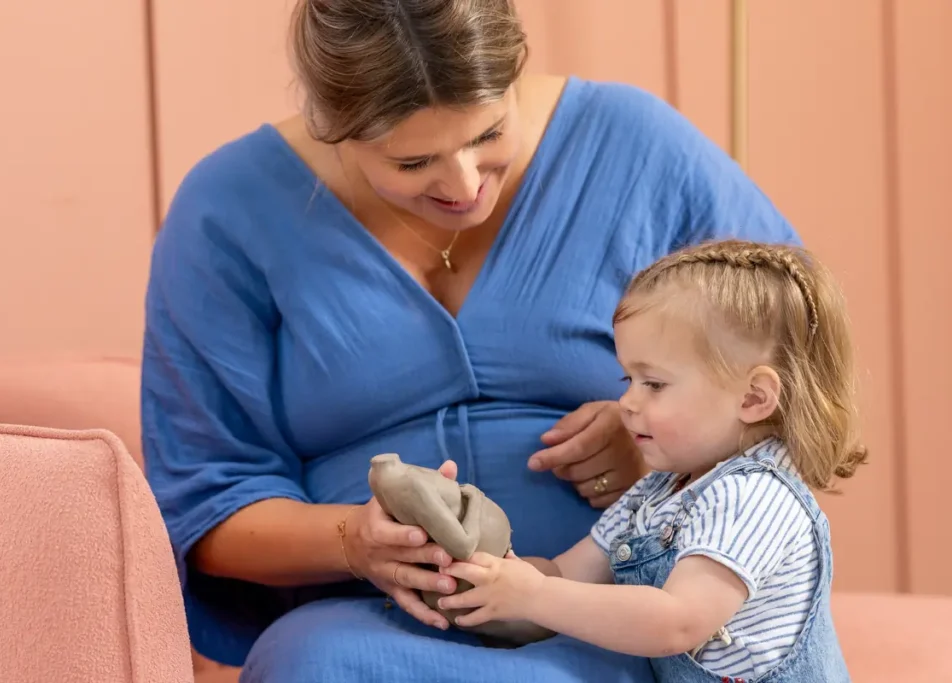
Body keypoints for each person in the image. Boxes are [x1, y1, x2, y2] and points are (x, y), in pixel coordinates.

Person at [140, 0, 801, 680]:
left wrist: (670, 449)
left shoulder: (638, 148)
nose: (463, 185)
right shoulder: (227, 209)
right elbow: (205, 506)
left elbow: (796, 378)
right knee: (310, 662)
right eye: (413, 160)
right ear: (332, 126)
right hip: (367, 628)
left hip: (621, 614)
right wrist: (354, 541)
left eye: (489, 133)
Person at [437, 239, 864, 682]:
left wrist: (535, 596)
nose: (626, 401)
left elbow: (676, 621)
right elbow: (566, 574)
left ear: (753, 398)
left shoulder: (755, 497)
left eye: (654, 384)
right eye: (629, 379)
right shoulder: (656, 492)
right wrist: (484, 574)